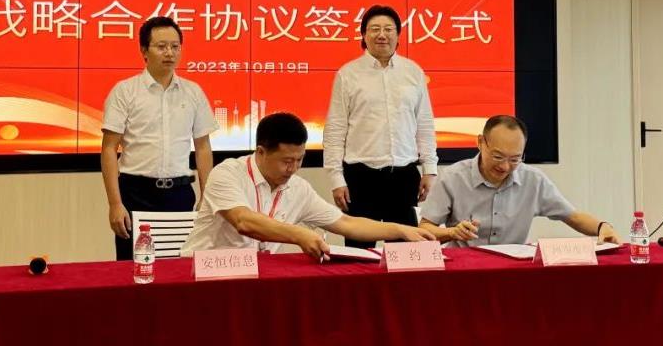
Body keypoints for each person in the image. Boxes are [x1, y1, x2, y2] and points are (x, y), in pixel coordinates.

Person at [182, 112, 434, 260]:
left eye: (299, 160)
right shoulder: (227, 173)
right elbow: (243, 221)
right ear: (260, 152)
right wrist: (298, 234)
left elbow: (346, 223)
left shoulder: (298, 188)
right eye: (286, 161)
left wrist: (400, 229)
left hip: (255, 273)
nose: (293, 169)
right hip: (202, 271)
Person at [100, 16, 217, 260]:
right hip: (136, 194)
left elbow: (203, 147)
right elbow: (109, 148)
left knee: (180, 268)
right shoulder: (125, 91)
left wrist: (206, 197)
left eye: (175, 46)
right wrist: (115, 204)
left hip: (180, 194)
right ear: (144, 51)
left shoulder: (193, 92)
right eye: (161, 46)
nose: (169, 53)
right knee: (134, 268)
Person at [323, 4, 437, 248]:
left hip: (404, 176)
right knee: (359, 255)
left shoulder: (413, 72)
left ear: (398, 34)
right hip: (361, 177)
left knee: (406, 254)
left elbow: (424, 124)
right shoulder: (348, 74)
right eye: (374, 29)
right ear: (364, 35)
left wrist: (430, 169)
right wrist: (336, 178)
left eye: (388, 29)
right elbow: (335, 130)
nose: (382, 35)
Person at [419, 115, 621, 246]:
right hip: (465, 271)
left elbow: (572, 216)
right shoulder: (453, 178)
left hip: (513, 271)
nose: (505, 166)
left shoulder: (533, 180)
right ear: (480, 142)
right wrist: (452, 233)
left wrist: (602, 226)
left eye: (515, 159)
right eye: (498, 156)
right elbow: (424, 229)